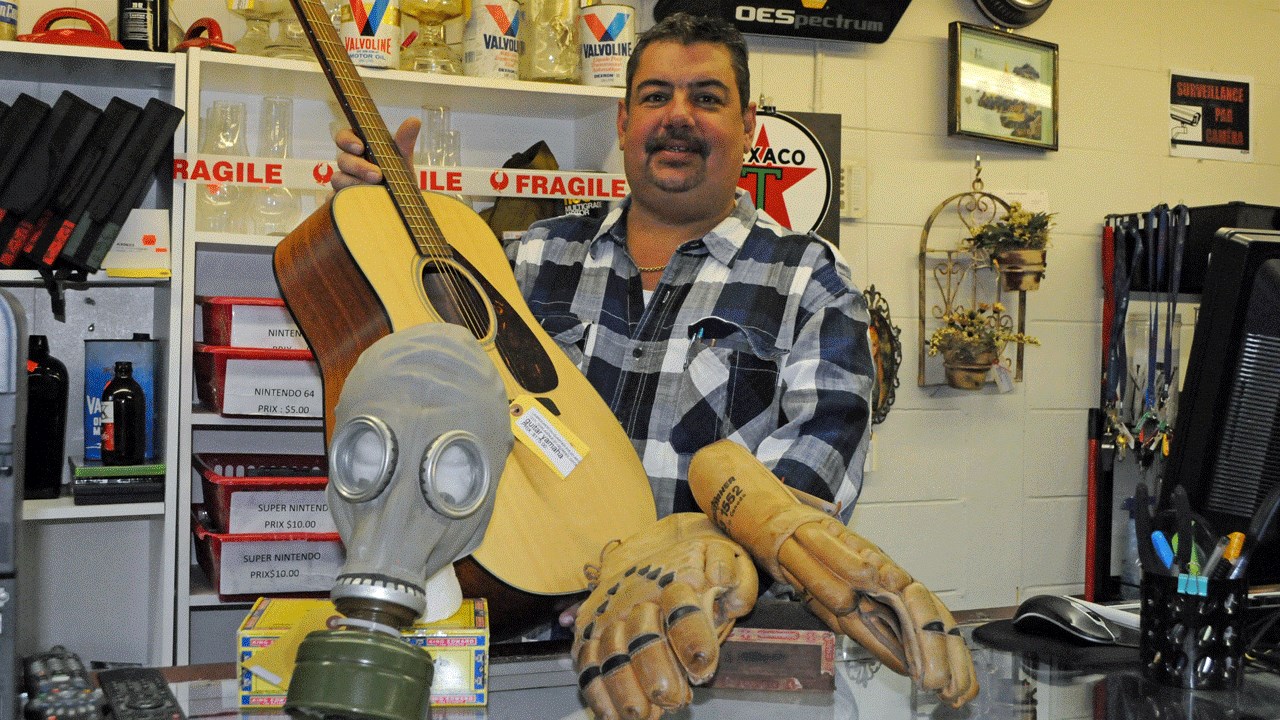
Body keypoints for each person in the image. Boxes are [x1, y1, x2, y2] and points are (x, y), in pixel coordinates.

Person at [332, 9, 873, 581]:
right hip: (523, 619)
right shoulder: (531, 260)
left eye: (708, 99)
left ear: (749, 126)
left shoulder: (811, 281)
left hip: (705, 640)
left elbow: (806, 490)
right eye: (655, 97)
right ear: (622, 122)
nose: (678, 117)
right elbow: (418, 375)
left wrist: (670, 579)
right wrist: (382, 221)